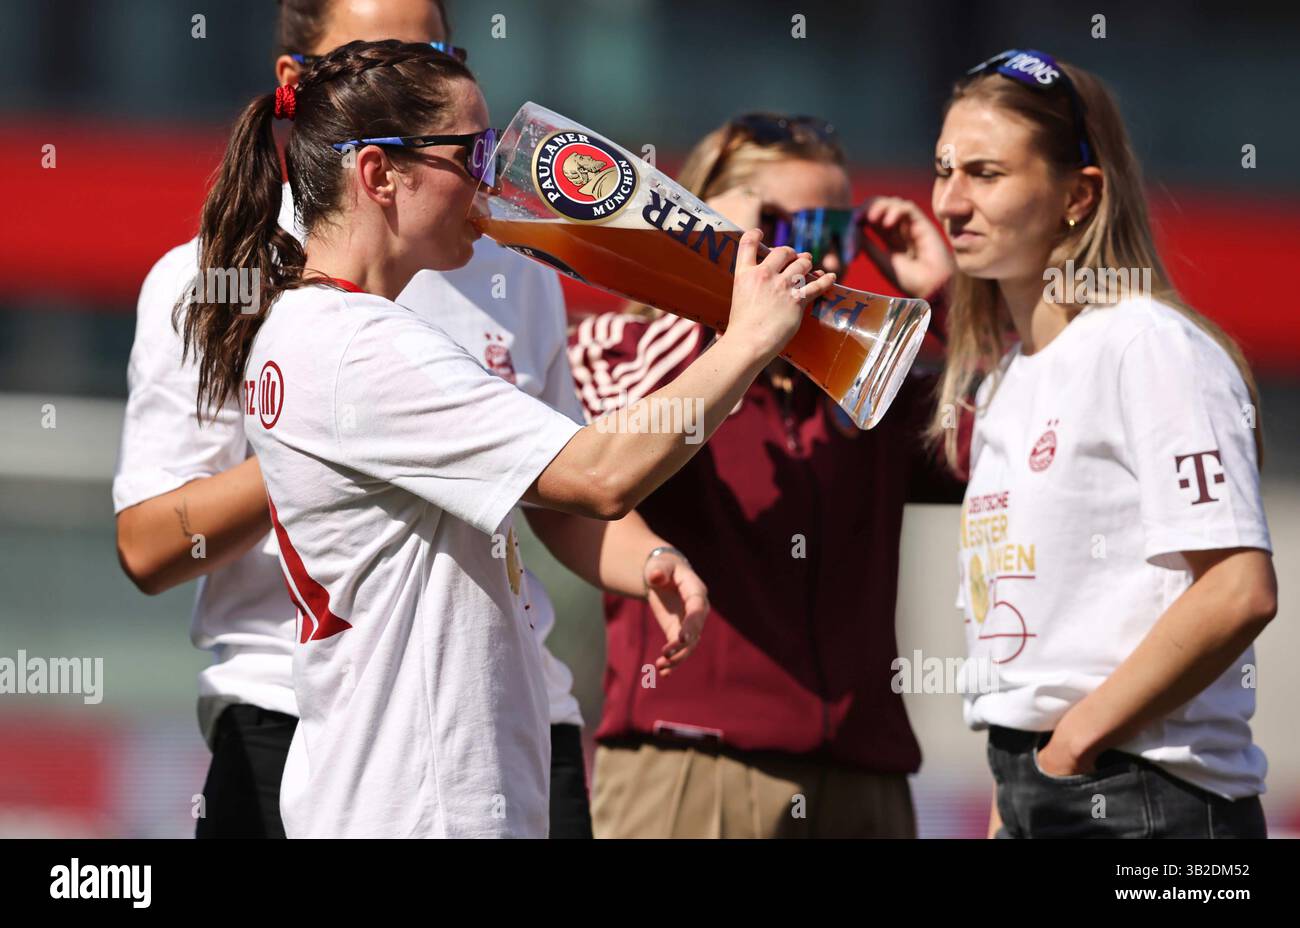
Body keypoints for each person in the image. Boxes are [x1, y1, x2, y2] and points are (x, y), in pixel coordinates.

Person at [179, 39, 836, 838]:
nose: (493, 178)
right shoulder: (360, 345)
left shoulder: (315, 328)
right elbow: (599, 475)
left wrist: (648, 556)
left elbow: (569, 489)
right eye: (472, 152)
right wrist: (749, 336)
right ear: (379, 174)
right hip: (423, 810)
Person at [114, 0, 698, 839]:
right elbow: (148, 545)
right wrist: (343, 442)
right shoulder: (218, 279)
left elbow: (558, 479)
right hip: (296, 707)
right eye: (379, 55)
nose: (419, 73)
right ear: (304, 88)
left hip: (504, 709)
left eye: (439, 52)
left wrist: (652, 559)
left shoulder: (507, 266)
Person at [568, 113, 963, 838]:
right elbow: (600, 460)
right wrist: (708, 272)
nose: (820, 255)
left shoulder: (866, 387)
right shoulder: (615, 345)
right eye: (789, 228)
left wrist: (947, 301)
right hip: (690, 773)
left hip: (865, 781)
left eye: (836, 230)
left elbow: (1013, 448)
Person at [931, 49, 1277, 838]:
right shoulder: (1006, 378)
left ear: (1078, 196)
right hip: (1042, 781)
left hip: (1143, 792)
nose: (949, 200)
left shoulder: (1147, 345)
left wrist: (1073, 745)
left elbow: (1238, 589)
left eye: (985, 173)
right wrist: (1020, 789)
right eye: (944, 169)